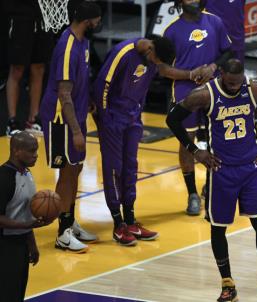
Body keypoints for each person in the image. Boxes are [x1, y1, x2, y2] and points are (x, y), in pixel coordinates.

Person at [166, 59, 257, 302]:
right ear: (221, 75)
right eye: (230, 83)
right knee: (218, 227)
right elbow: (172, 119)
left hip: (251, 168)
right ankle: (227, 284)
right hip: (222, 170)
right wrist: (195, 150)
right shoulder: (204, 94)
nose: (234, 87)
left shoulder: (254, 88)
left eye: (238, 82)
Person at [91, 36, 176, 246]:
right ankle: (118, 223)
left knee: (131, 168)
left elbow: (142, 89)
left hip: (132, 118)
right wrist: (104, 116)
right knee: (114, 168)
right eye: (157, 60)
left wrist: (138, 113)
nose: (156, 65)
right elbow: (102, 85)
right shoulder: (123, 52)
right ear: (151, 48)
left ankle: (130, 219)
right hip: (112, 118)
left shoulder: (150, 61)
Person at [39, 1, 102, 253]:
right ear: (89, 20)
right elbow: (64, 94)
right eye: (97, 19)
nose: (99, 24)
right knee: (66, 171)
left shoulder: (83, 41)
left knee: (75, 169)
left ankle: (69, 221)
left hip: (75, 112)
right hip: (60, 117)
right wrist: (76, 131)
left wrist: (87, 104)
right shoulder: (67, 47)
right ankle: (62, 234)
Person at [162, 0, 233, 216]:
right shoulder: (171, 31)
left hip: (214, 88)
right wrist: (190, 74)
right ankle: (192, 193)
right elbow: (163, 69)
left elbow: (227, 53)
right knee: (187, 143)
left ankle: (211, 186)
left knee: (219, 139)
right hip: (186, 91)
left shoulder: (215, 21)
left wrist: (213, 67)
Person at [0, 132, 49, 302]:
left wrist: (32, 245)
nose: (36, 155)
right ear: (16, 151)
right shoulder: (4, 178)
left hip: (21, 246)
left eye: (36, 150)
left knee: (18, 293)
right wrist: (27, 224)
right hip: (4, 246)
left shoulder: (27, 174)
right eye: (31, 151)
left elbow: (25, 212)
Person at [4, 0, 55, 136]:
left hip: (44, 13)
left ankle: (34, 119)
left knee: (38, 67)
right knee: (17, 68)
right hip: (21, 14)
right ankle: (12, 121)